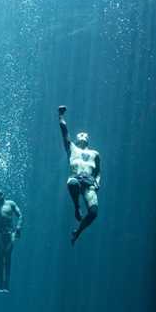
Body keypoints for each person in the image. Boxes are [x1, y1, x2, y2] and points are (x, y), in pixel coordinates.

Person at [58, 105, 101, 245]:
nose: (83, 136)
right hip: (76, 178)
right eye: (80, 135)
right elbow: (64, 131)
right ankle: (77, 207)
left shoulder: (95, 154)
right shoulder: (71, 148)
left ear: (88, 139)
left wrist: (97, 182)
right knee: (72, 183)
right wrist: (61, 115)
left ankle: (78, 232)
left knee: (94, 212)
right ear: (77, 138)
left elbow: (98, 171)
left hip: (89, 182)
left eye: (85, 135)